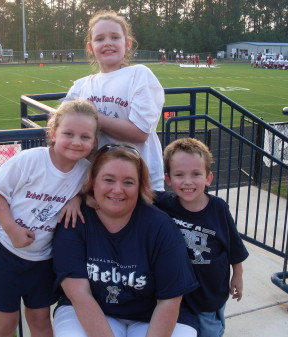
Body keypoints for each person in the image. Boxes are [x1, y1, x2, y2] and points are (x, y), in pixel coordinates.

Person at [0, 99, 99, 337]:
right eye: (68, 133)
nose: (76, 141)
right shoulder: (30, 160)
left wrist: (78, 199)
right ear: (53, 133)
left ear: (94, 142)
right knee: (5, 322)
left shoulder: (86, 172)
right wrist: (12, 229)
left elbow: (92, 196)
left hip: (44, 259)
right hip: (6, 252)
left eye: (85, 137)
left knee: (40, 319)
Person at [52, 143, 199, 337]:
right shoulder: (75, 219)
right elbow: (79, 295)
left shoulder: (159, 225)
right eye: (109, 180)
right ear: (93, 181)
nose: (118, 190)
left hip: (151, 314)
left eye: (129, 182)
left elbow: (169, 300)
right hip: (93, 310)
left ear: (140, 186)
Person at [154, 138, 249, 337]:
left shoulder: (218, 208)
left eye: (196, 174)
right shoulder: (164, 203)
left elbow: (233, 245)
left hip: (209, 295)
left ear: (208, 178)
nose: (188, 181)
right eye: (179, 175)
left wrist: (237, 275)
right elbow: (135, 193)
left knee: (209, 332)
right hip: (179, 297)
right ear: (168, 179)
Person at [64, 10, 165, 191]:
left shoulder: (139, 75)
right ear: (90, 47)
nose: (107, 43)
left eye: (115, 37)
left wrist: (93, 116)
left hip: (142, 181)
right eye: (100, 39)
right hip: (100, 181)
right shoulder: (81, 86)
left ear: (127, 44)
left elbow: (140, 132)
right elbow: (62, 125)